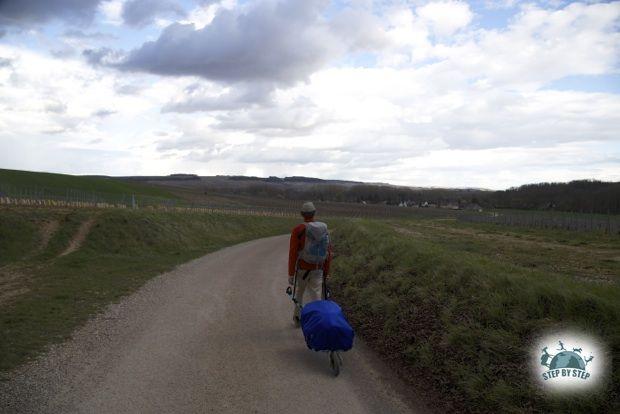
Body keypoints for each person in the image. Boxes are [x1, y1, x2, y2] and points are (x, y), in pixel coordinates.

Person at [288, 201, 332, 326]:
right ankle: (318, 323)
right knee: (316, 296)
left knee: (299, 293)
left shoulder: (298, 229)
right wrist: (327, 271)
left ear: (302, 214)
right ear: (314, 213)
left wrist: (291, 273)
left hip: (302, 268)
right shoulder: (324, 229)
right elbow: (328, 252)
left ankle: (298, 319)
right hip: (319, 268)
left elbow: (293, 253)